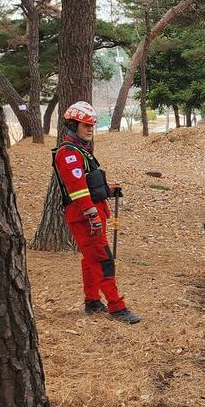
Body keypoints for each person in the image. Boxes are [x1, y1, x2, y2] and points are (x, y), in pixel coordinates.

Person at [51, 101, 140, 323]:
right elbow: (77, 189)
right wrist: (92, 214)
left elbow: (88, 184)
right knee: (102, 259)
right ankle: (117, 307)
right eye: (85, 125)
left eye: (92, 125)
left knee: (91, 259)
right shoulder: (68, 153)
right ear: (73, 125)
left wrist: (108, 190)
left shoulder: (81, 151)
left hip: (94, 212)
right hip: (84, 217)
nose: (90, 129)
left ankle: (92, 301)